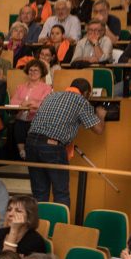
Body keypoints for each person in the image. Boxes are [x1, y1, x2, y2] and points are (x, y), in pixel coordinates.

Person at [25, 78, 108, 207]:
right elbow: (98, 129)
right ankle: (60, 226)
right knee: (61, 194)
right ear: (86, 93)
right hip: (52, 146)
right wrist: (101, 115)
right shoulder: (81, 101)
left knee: (39, 194)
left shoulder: (51, 95)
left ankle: (40, 226)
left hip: (30, 143)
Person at [10, 60, 53, 159]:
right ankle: (21, 152)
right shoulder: (20, 87)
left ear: (42, 72)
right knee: (17, 124)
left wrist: (30, 103)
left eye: (36, 70)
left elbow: (44, 104)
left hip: (36, 120)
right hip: (20, 119)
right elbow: (12, 102)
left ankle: (27, 153)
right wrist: (22, 104)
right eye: (30, 70)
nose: (32, 72)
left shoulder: (46, 88)